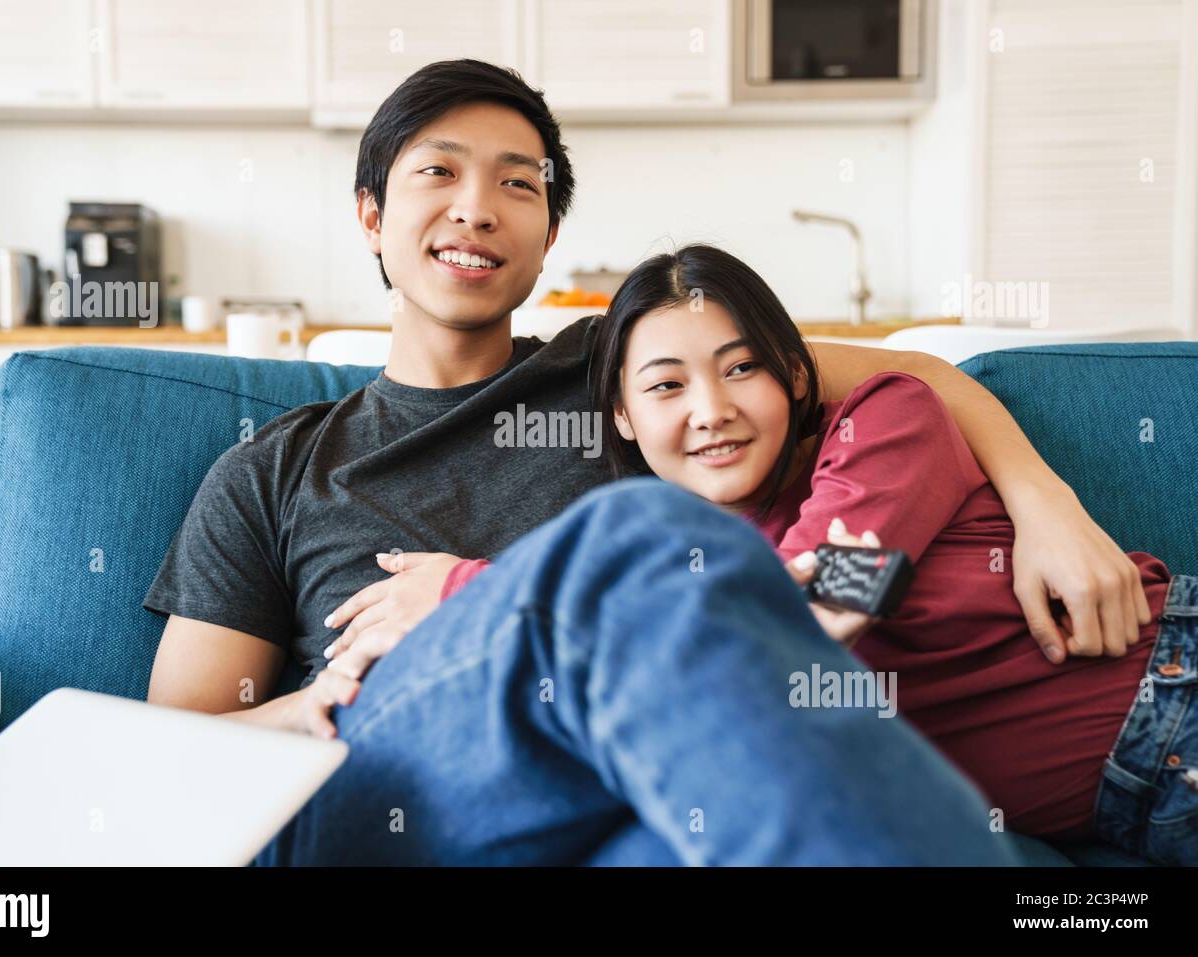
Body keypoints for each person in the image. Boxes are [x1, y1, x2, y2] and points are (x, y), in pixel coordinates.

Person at [141, 60, 1152, 864]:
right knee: (646, 541)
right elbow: (170, 746)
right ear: (371, 213)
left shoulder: (634, 375)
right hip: (409, 770)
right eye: (438, 172)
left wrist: (1049, 506)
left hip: (637, 790)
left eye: (518, 184)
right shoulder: (277, 467)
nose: (478, 207)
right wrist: (302, 709)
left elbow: (908, 384)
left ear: (545, 240)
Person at [427, 244, 1195, 865]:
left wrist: (465, 587)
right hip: (1133, 800)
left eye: (740, 368)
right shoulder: (689, 555)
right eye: (666, 387)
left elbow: (803, 617)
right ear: (623, 418)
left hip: (1175, 696)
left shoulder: (887, 423)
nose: (711, 410)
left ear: (795, 374)